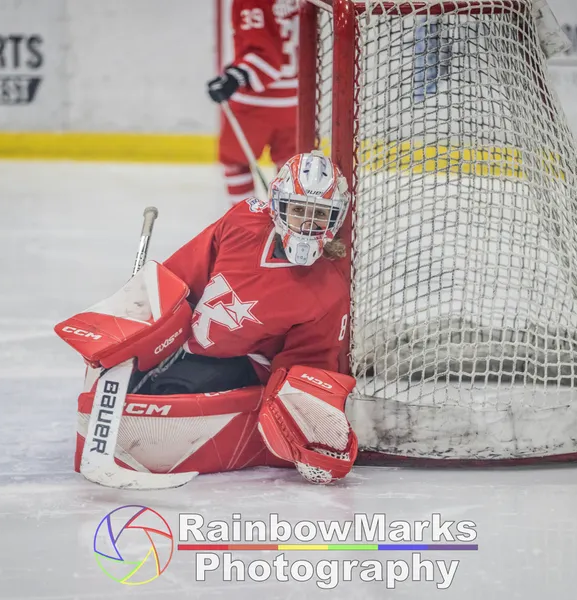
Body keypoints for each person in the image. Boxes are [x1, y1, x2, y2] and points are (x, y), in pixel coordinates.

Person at [61, 152, 359, 484]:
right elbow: (182, 275)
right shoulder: (243, 222)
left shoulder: (329, 288)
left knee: (168, 392)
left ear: (336, 219)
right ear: (278, 205)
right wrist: (142, 318)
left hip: (245, 362)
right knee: (125, 375)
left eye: (321, 214)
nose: (307, 224)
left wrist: (302, 419)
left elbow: (306, 363)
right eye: (299, 209)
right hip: (186, 339)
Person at [207, 0, 298, 205]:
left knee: (234, 162)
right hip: (296, 100)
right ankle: (289, 220)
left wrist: (234, 78)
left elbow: (266, 58)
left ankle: (246, 219)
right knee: (291, 165)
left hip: (257, 102)